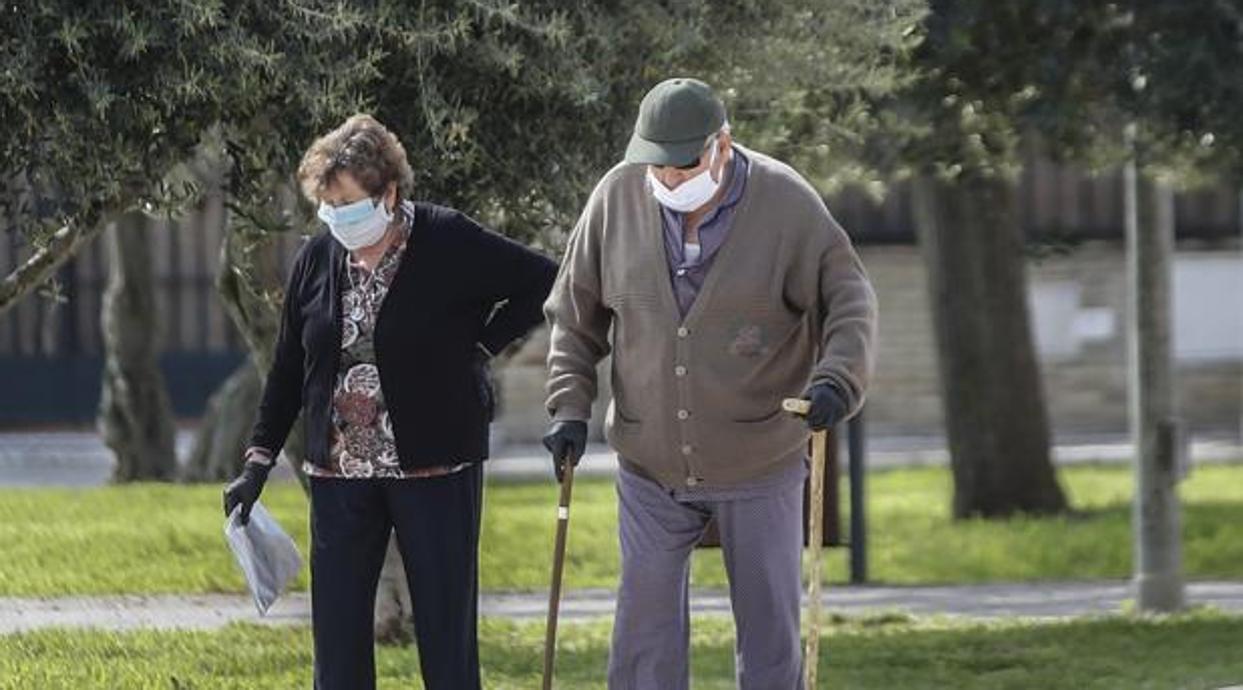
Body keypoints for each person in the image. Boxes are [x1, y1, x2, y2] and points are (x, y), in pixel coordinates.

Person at [541, 78, 877, 689]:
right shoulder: (616, 197)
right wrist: (568, 408)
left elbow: (848, 298)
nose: (669, 179)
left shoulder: (786, 203)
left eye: (684, 164)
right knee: (643, 632)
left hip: (760, 457)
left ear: (722, 144)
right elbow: (574, 315)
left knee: (770, 631)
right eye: (656, 166)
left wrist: (837, 380)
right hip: (650, 461)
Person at [222, 113, 557, 690]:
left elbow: (544, 278)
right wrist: (258, 459)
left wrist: (482, 344)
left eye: (348, 205)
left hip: (435, 467)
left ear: (389, 193)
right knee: (338, 638)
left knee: (446, 636)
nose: (336, 218)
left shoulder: (447, 239)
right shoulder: (317, 258)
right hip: (339, 473)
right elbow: (287, 369)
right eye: (327, 206)